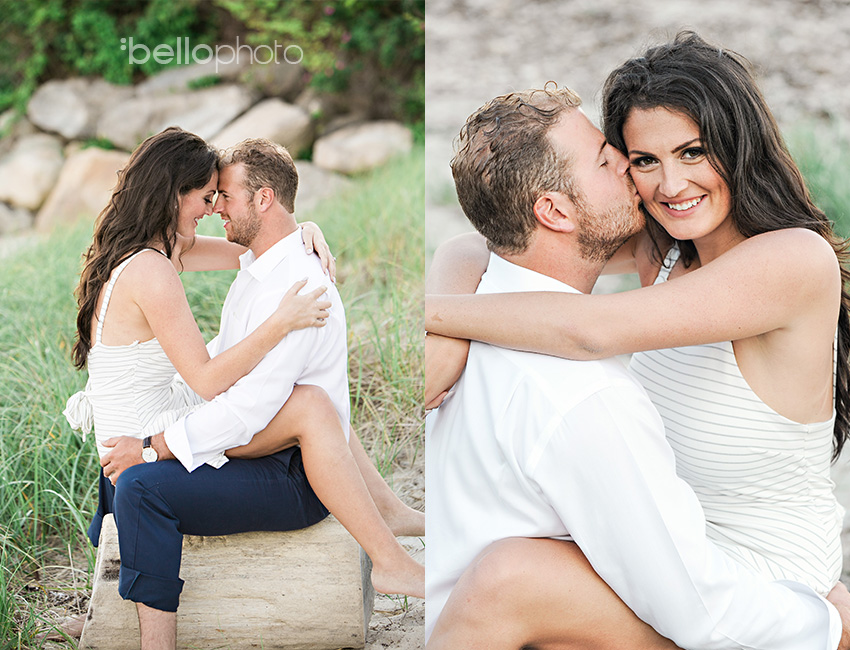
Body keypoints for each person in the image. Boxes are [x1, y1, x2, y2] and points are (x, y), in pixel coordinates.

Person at [425, 32, 850, 644]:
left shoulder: (793, 262)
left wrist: (436, 320)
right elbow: (473, 245)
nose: (670, 186)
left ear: (738, 144)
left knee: (512, 578)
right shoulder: (667, 247)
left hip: (758, 591)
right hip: (668, 559)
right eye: (644, 161)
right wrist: (445, 336)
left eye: (693, 152)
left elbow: (589, 332)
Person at [65, 129, 423, 649]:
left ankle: (388, 524)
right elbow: (211, 379)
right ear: (173, 193)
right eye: (206, 196)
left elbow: (252, 250)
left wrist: (301, 227)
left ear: (262, 198)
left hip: (163, 429)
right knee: (297, 407)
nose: (212, 210)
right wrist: (279, 321)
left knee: (307, 404)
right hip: (146, 429)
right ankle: (115, 611)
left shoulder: (144, 251)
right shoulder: (155, 266)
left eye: (220, 197)